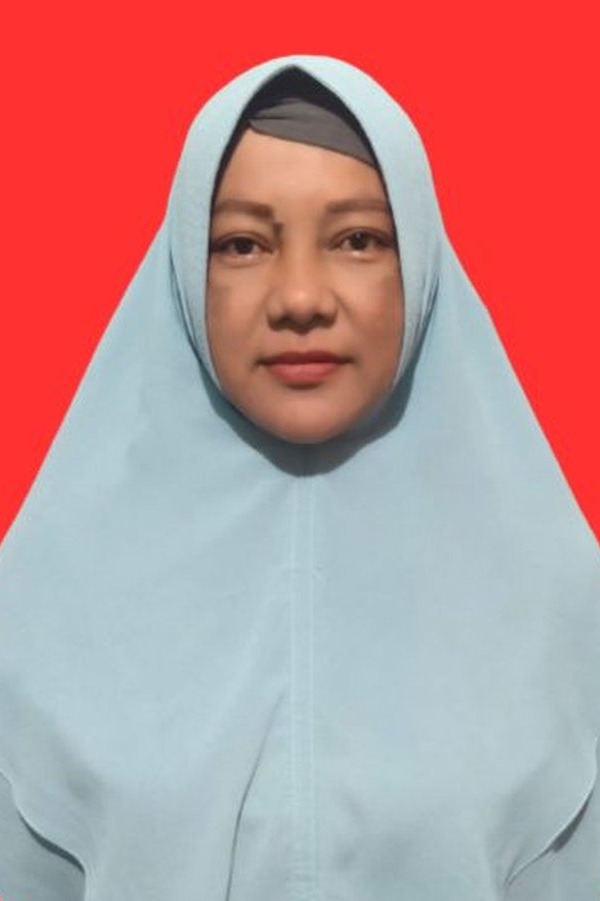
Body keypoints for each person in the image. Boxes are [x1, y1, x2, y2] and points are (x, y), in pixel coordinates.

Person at [0, 55, 599, 901]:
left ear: (420, 264)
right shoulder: (48, 585)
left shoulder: (555, 590)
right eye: (243, 244)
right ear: (186, 266)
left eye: (358, 239)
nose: (301, 297)